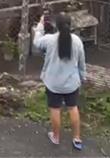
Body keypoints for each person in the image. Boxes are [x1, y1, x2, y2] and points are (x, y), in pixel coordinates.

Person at [32, 12, 86, 151]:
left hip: (53, 83)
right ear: (71, 25)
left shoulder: (49, 40)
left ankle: (55, 137)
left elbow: (36, 42)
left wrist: (40, 27)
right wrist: (82, 77)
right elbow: (81, 63)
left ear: (56, 25)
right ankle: (77, 138)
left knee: (55, 109)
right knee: (73, 108)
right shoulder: (77, 41)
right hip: (71, 83)